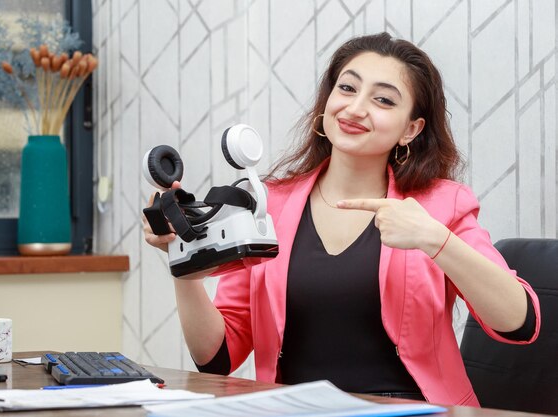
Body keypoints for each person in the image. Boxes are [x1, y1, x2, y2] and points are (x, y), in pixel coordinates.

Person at [143, 32, 540, 406]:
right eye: (346, 88)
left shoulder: (441, 205)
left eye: (384, 100)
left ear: (411, 129)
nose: (355, 108)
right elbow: (217, 358)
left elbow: (519, 322)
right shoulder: (268, 204)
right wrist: (184, 263)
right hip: (293, 409)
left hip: (414, 410)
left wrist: (436, 241)